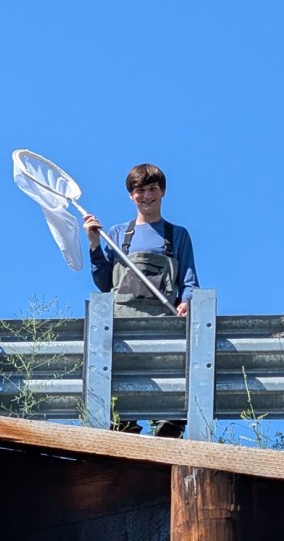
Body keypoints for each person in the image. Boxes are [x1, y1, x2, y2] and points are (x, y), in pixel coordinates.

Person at [83, 163, 198, 437]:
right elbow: (103, 283)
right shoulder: (117, 234)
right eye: (140, 191)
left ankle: (167, 424)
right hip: (123, 325)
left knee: (166, 374)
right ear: (130, 195)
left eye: (152, 189)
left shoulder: (177, 235)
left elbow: (190, 281)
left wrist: (187, 302)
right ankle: (125, 425)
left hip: (164, 323)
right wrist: (94, 244)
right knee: (124, 381)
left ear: (163, 191)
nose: (146, 196)